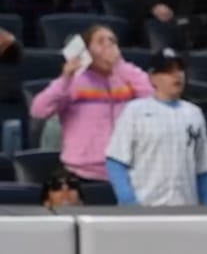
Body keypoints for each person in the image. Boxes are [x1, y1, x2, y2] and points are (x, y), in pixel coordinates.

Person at [29, 24, 152, 182]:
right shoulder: (74, 81)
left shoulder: (126, 78)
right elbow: (38, 110)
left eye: (112, 41)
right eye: (101, 41)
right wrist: (65, 79)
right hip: (83, 173)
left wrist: (120, 65)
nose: (108, 45)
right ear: (87, 51)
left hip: (125, 171)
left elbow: (153, 101)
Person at [103, 48, 207, 207]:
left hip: (185, 209)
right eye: (168, 71)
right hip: (145, 208)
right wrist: (129, 202)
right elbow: (115, 161)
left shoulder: (194, 114)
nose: (177, 75)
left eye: (179, 69)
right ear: (153, 77)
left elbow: (203, 167)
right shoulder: (135, 111)